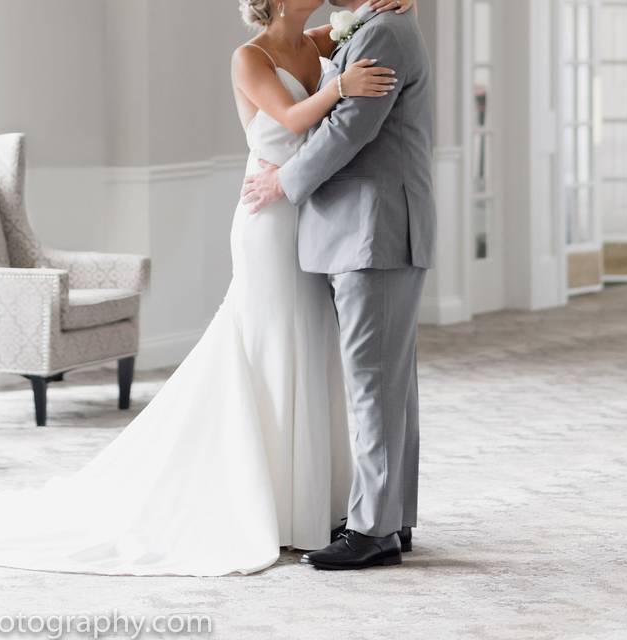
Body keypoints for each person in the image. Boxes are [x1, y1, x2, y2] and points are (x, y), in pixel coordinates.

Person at [0, 0, 416, 577]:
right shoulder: (249, 57)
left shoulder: (317, 43)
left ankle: (315, 500)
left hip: (310, 217)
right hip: (269, 211)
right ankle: (270, 500)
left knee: (311, 348)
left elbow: (361, 28)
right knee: (271, 344)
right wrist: (342, 90)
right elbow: (291, 119)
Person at [241, 0, 434, 570]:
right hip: (368, 226)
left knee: (374, 380)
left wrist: (286, 182)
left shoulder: (386, 32)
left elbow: (352, 126)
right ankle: (389, 516)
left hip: (372, 227)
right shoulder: (375, 25)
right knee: (388, 380)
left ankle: (373, 529)